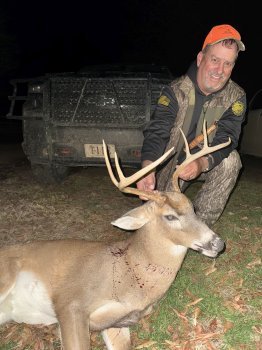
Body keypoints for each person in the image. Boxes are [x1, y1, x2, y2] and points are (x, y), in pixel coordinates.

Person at [137, 24, 247, 227]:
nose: (220, 70)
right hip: (170, 168)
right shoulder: (175, 91)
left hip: (204, 163)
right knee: (156, 223)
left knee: (231, 161)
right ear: (200, 59)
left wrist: (201, 163)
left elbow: (227, 138)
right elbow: (157, 131)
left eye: (228, 64)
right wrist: (147, 168)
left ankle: (199, 225)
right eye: (214, 60)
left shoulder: (236, 97)